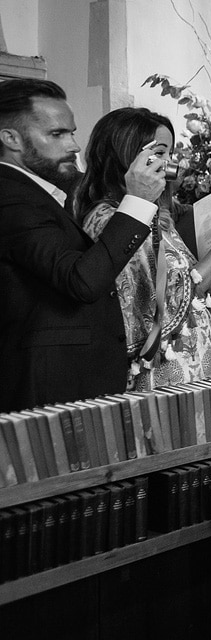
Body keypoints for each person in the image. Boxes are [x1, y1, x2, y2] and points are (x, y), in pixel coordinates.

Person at [0, 79, 163, 410]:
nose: (74, 145)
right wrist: (137, 202)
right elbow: (82, 280)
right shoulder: (11, 198)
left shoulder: (37, 194)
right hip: (47, 391)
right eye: (57, 134)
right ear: (11, 138)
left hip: (70, 383)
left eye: (72, 132)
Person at [72, 108, 211, 389]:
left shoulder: (152, 215)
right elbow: (177, 297)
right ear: (127, 154)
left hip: (194, 360)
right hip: (163, 370)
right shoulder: (112, 219)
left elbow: (195, 290)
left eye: (169, 153)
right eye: (160, 152)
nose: (170, 164)